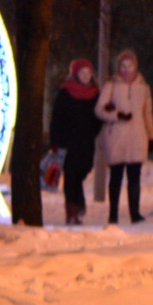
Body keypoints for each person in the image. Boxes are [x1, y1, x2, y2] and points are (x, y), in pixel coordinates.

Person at [96, 49, 153, 224]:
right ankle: (113, 214)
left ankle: (134, 213)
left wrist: (152, 136)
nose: (126, 69)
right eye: (123, 66)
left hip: (138, 137)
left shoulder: (143, 88)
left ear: (135, 66)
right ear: (118, 67)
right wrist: (117, 115)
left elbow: (148, 114)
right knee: (116, 177)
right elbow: (99, 109)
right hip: (116, 138)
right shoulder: (111, 85)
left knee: (134, 178)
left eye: (130, 66)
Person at [48, 58, 102, 225]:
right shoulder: (65, 93)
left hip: (86, 141)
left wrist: (94, 130)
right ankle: (71, 211)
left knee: (82, 172)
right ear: (75, 74)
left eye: (88, 73)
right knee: (71, 175)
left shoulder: (95, 93)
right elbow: (56, 119)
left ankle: (78, 203)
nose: (86, 76)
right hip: (68, 142)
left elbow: (98, 117)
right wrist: (55, 142)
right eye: (82, 73)